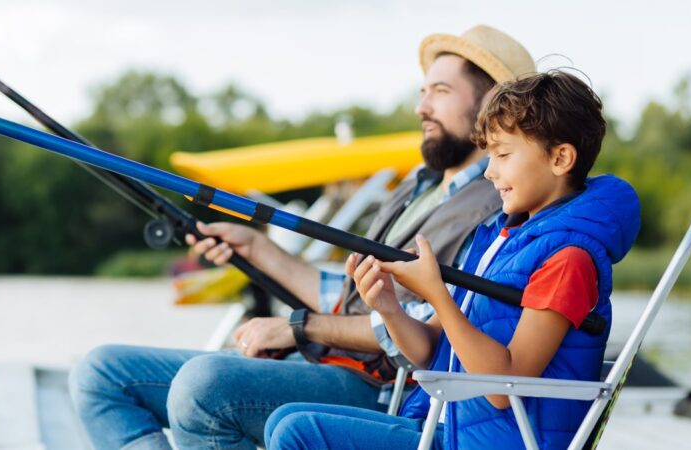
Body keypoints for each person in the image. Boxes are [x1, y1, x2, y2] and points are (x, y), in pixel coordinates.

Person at [69, 25, 535, 450]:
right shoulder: (420, 186)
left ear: (490, 102)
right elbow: (354, 297)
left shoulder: (498, 204)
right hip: (326, 364)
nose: (421, 107)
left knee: (203, 385)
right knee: (101, 373)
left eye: (440, 91)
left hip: (383, 389)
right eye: (422, 91)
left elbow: (426, 332)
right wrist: (258, 250)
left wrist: (297, 327)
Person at [264, 70, 641, 449]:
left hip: (497, 441)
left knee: (297, 432)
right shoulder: (502, 239)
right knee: (284, 418)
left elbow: (501, 387)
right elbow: (430, 350)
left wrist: (438, 296)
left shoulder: (568, 261)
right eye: (490, 155)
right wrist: (389, 307)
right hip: (447, 423)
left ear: (560, 158)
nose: (491, 171)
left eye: (504, 154)